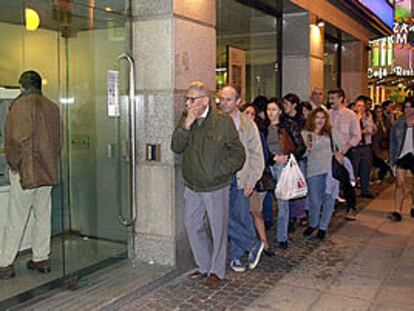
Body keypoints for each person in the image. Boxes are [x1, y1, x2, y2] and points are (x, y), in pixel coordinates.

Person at [171, 81, 245, 288]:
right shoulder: (186, 119)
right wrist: (186, 126)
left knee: (218, 228)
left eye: (192, 99)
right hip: (193, 184)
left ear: (205, 101)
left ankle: (216, 271)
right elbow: (176, 147)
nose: (187, 104)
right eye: (186, 99)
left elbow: (238, 154)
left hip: (215, 186)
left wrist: (219, 171)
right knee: (192, 225)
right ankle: (204, 266)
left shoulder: (223, 122)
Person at [0, 70, 61, 279]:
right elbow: (57, 143)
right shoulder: (53, 108)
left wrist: (13, 163)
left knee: (16, 218)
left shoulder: (18, 106)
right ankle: (41, 259)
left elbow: (13, 141)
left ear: (23, 86)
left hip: (25, 172)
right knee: (43, 215)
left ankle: (6, 264)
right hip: (46, 172)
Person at [218, 86, 265, 273]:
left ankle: (236, 257)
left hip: (241, 177)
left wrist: (252, 180)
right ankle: (252, 243)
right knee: (221, 216)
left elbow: (257, 155)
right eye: (221, 98)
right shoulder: (216, 121)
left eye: (228, 99)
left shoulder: (247, 124)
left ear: (238, 101)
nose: (223, 102)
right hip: (219, 177)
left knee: (239, 216)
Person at [267, 99, 306, 249]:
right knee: (263, 203)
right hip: (268, 167)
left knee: (283, 203)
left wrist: (289, 157)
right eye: (268, 109)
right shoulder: (262, 127)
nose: (271, 113)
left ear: (280, 111)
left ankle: (281, 236)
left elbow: (300, 146)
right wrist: (272, 158)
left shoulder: (288, 125)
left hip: (283, 167)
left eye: (274, 109)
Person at [301, 108, 344, 240]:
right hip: (313, 170)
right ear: (312, 119)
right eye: (317, 117)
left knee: (329, 199)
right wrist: (307, 149)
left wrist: (338, 153)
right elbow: (302, 153)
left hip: (330, 170)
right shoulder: (305, 133)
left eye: (322, 118)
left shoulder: (331, 132)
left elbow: (341, 146)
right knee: (314, 200)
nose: (320, 120)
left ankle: (323, 227)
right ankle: (313, 223)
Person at [241, 104, 275, 257]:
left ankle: (263, 243)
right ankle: (248, 244)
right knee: (243, 214)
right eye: (247, 112)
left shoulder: (258, 134)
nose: (250, 116)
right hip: (239, 179)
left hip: (255, 179)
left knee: (256, 212)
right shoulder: (236, 131)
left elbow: (265, 156)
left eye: (253, 113)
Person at [328, 89, 361, 219]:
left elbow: (357, 136)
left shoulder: (351, 115)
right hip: (330, 152)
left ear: (341, 98)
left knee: (347, 181)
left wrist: (344, 150)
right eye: (330, 98)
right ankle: (331, 205)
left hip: (345, 152)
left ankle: (351, 207)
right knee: (331, 179)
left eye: (333, 98)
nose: (331, 101)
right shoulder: (327, 114)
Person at [388, 97, 414, 222]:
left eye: (411, 107)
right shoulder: (399, 123)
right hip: (402, 155)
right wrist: (392, 160)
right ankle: (397, 210)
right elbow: (393, 142)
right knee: (400, 183)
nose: (408, 110)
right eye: (406, 107)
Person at [351, 96, 375, 199]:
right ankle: (351, 191)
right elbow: (354, 131)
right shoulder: (352, 116)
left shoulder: (369, 116)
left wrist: (365, 129)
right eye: (358, 105)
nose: (360, 108)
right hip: (356, 147)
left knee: (366, 169)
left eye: (362, 106)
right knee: (354, 170)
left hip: (366, 145)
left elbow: (371, 129)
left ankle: (365, 190)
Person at [372, 104, 392, 183]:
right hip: (374, 144)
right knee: (375, 162)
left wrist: (382, 124)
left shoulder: (386, 120)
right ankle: (374, 177)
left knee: (384, 162)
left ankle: (381, 176)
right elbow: (373, 132)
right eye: (377, 112)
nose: (379, 113)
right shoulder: (373, 120)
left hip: (383, 145)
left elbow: (386, 132)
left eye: (380, 112)